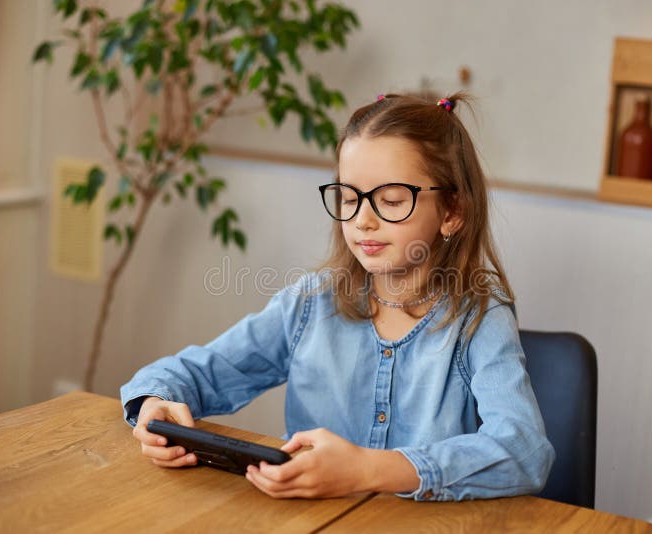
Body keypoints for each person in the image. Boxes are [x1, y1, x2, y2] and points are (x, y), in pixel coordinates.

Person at [120, 92, 555, 501]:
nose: (362, 220)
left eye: (390, 199)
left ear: (452, 212)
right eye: (349, 197)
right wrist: (154, 404)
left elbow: (524, 452)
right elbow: (198, 372)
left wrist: (368, 469)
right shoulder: (310, 303)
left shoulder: (480, 317)